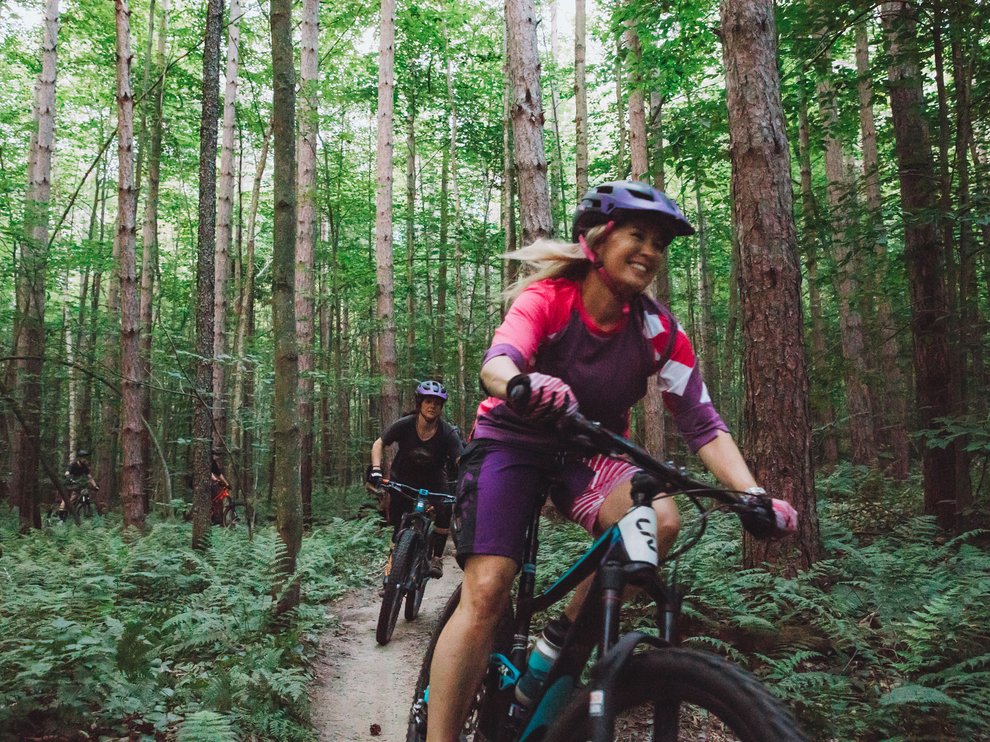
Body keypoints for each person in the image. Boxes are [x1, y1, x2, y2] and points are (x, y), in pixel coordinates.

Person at [424, 181, 799, 740]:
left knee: (662, 517)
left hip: (589, 454)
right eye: (637, 236)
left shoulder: (660, 332)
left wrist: (752, 494)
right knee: (487, 590)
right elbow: (497, 364)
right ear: (596, 241)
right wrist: (524, 383)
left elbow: (703, 424)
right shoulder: (551, 298)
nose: (650, 251)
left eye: (661, 243)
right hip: (512, 442)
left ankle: (561, 644)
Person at [367, 380, 465, 580]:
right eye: (428, 401)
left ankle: (436, 557)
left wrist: (470, 479)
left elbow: (460, 460)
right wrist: (376, 470)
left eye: (437, 403)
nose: (432, 406)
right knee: (398, 526)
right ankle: (392, 569)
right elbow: (379, 443)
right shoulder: (405, 424)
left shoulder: (448, 432)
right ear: (419, 403)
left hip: (434, 480)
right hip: (403, 477)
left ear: (441, 407)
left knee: (445, 509)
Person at [60, 449, 99, 519]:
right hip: (68, 483)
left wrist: (95, 485)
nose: (85, 459)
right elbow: (67, 473)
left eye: (86, 458)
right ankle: (60, 518)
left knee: (76, 497)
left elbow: (89, 477)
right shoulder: (73, 464)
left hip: (76, 484)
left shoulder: (84, 466)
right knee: (65, 500)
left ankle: (73, 511)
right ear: (79, 458)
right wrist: (70, 478)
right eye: (84, 458)